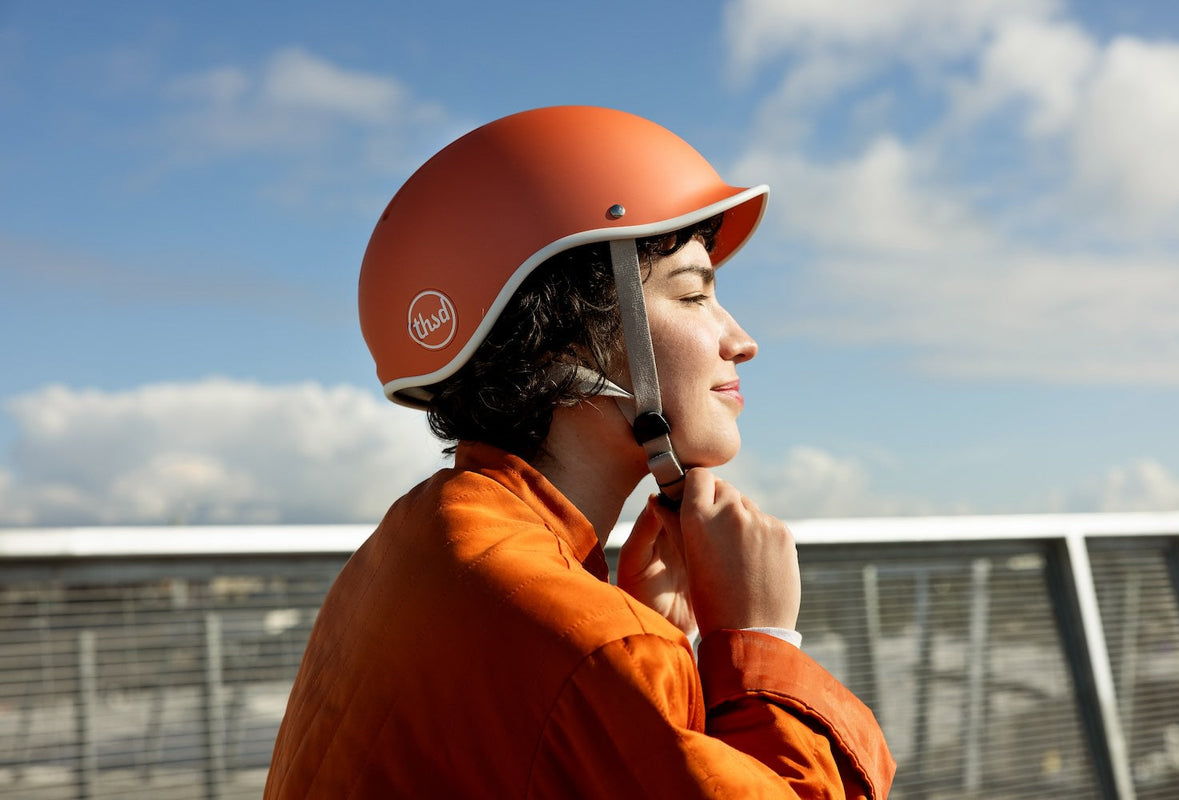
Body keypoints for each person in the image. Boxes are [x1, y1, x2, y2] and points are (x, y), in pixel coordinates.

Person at [264, 105, 894, 798]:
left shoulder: (412, 550)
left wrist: (650, 642)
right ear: (564, 341)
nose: (740, 339)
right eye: (692, 295)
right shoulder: (589, 644)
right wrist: (760, 641)